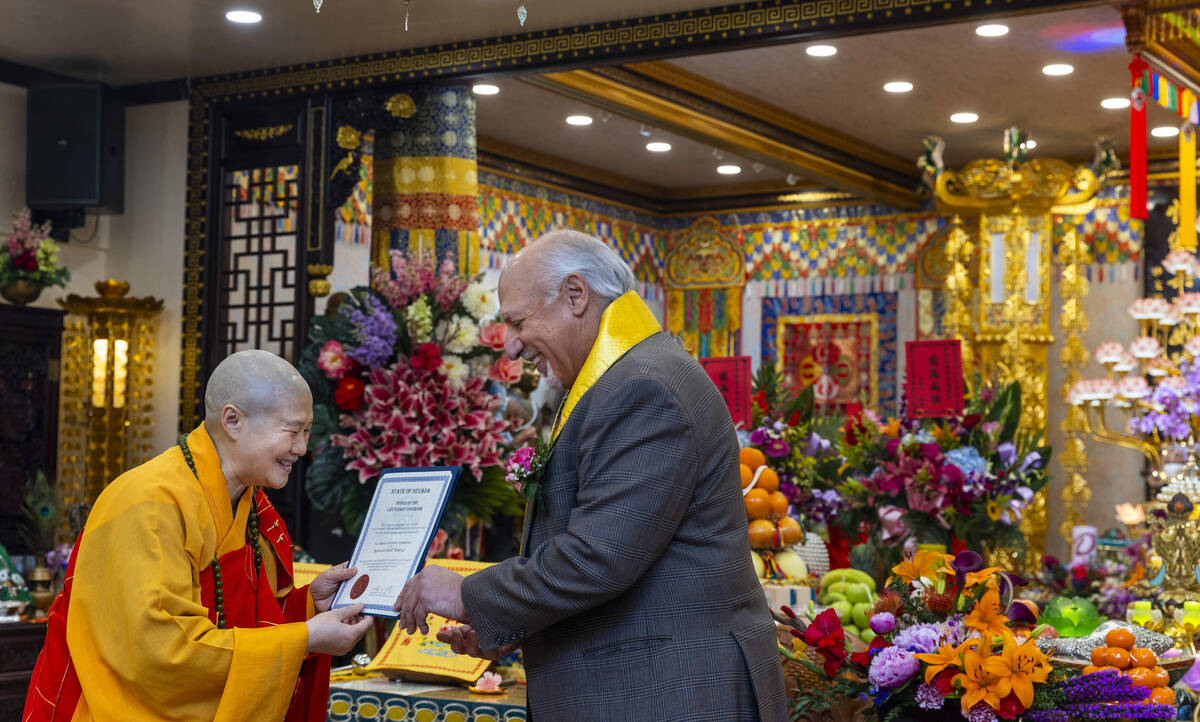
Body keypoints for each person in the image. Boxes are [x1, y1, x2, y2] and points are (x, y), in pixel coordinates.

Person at [394, 230, 787, 720]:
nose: (512, 348)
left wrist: (464, 593)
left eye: (519, 321)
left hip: (672, 690)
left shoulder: (642, 387)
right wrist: (512, 625)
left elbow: (599, 557)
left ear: (576, 295)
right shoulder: (625, 374)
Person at [24, 349, 371, 722]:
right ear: (233, 421)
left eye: (306, 432)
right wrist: (305, 638)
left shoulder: (256, 510)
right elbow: (162, 653)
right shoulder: (151, 503)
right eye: (291, 431)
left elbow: (244, 622)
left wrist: (309, 610)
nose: (301, 448)